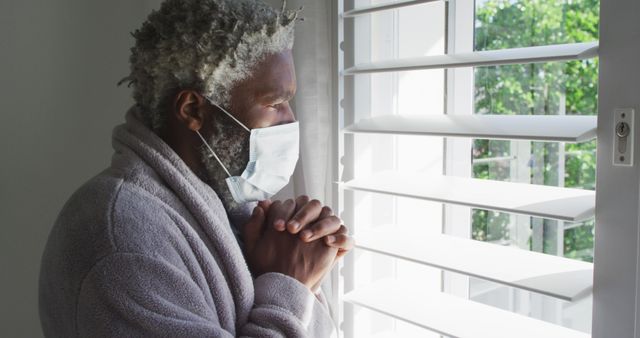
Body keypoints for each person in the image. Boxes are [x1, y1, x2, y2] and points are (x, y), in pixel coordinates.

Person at [38, 0, 354, 336]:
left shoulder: (228, 202)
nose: (291, 120)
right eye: (275, 104)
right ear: (192, 110)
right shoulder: (120, 241)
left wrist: (296, 262)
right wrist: (289, 285)